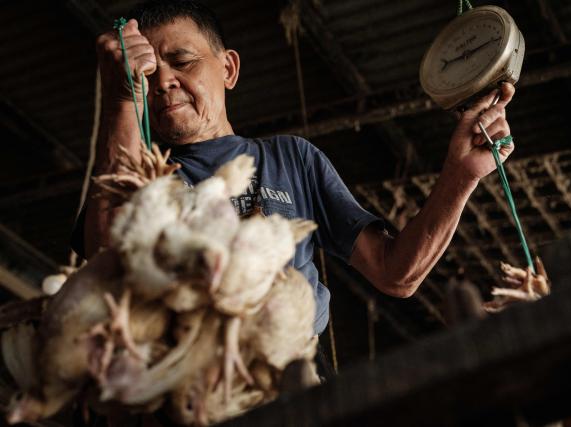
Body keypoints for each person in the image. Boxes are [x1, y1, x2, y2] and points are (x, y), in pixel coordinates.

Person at [73, 0, 515, 340]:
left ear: (228, 68)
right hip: (189, 386)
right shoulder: (142, 177)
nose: (163, 81)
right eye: (148, 75)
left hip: (294, 380)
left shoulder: (292, 160)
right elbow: (107, 265)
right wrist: (120, 102)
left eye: (183, 61)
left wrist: (461, 175)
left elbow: (395, 272)